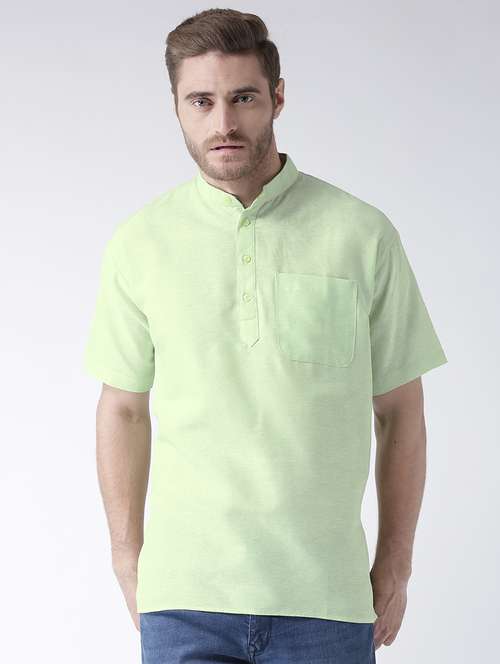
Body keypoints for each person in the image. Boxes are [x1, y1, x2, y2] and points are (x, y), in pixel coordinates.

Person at [83, 8, 448, 664]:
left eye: (243, 98)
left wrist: (395, 565)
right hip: (184, 602)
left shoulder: (361, 234)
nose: (223, 122)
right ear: (176, 107)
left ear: (278, 97)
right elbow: (123, 409)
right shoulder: (141, 243)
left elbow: (401, 410)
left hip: (326, 602)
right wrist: (126, 559)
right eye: (201, 101)